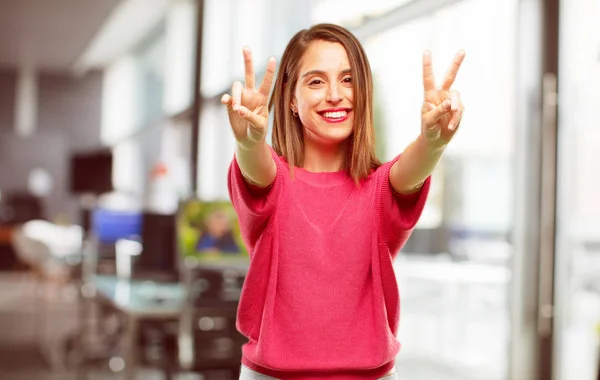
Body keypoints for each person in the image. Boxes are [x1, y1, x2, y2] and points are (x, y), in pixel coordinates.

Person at [223, 23, 465, 380]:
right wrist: (247, 142)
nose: (335, 94)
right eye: (316, 81)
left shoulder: (380, 187)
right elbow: (257, 168)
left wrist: (434, 140)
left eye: (348, 80)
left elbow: (411, 169)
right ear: (291, 98)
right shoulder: (273, 179)